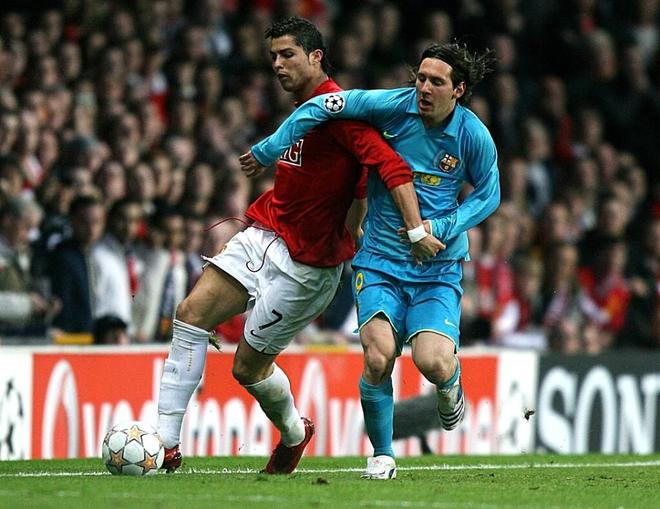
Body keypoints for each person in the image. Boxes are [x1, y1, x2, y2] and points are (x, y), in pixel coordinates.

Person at [157, 17, 442, 474]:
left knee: (246, 369)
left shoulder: (343, 116)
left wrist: (413, 231)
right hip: (265, 233)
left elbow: (392, 168)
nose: (277, 64)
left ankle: (294, 432)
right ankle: (165, 446)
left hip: (308, 267)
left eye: (287, 54)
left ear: (315, 56)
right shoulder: (303, 109)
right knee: (190, 315)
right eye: (273, 56)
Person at [241, 42, 500, 479]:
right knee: (378, 358)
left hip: (436, 269)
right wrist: (270, 148)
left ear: (458, 90)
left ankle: (450, 384)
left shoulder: (472, 135)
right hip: (379, 261)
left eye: (436, 82)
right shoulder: (390, 107)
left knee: (433, 362)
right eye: (420, 78)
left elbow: (489, 195)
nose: (424, 88)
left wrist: (441, 227)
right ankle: (382, 455)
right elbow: (321, 106)